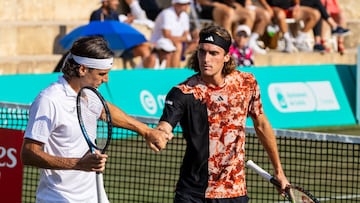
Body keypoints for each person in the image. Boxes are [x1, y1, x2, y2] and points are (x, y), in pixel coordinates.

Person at [21, 36, 171, 203]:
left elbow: (105, 109)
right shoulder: (49, 100)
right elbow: (29, 154)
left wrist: (146, 131)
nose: (106, 79)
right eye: (102, 74)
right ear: (83, 69)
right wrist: (78, 164)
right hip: (58, 198)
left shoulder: (88, 93)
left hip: (94, 196)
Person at [156, 25, 290, 202]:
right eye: (202, 52)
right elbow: (165, 125)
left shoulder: (246, 83)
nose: (206, 59)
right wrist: (159, 134)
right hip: (193, 193)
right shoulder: (183, 92)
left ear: (226, 56)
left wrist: (279, 171)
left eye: (213, 53)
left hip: (234, 191)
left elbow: (261, 124)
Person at [90, 0, 152, 68]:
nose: (117, 3)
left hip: (119, 46)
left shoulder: (114, 15)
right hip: (108, 48)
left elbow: (116, 32)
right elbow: (95, 36)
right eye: (114, 1)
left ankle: (147, 75)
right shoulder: (97, 15)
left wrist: (124, 25)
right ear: (105, 2)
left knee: (144, 47)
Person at [150, 0, 193, 68]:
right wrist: (182, 39)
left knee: (198, 43)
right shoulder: (167, 13)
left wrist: (183, 39)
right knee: (179, 46)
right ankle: (174, 71)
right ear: (175, 4)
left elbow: (186, 35)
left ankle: (180, 64)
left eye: (187, 4)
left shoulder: (184, 15)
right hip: (160, 41)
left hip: (173, 41)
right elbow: (166, 35)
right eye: (183, 4)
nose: (185, 6)